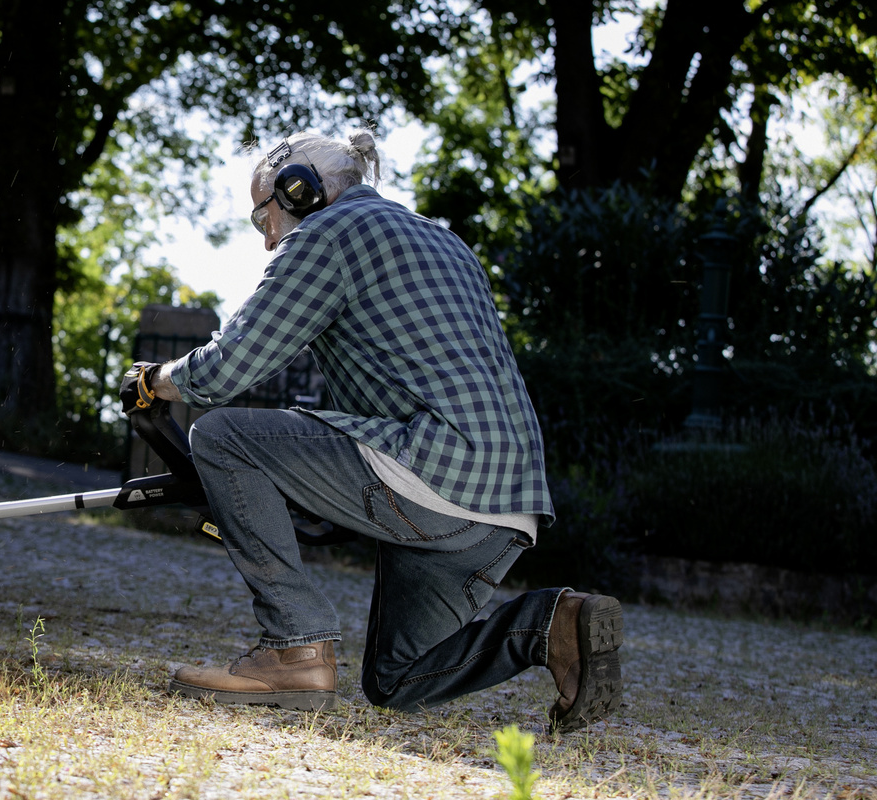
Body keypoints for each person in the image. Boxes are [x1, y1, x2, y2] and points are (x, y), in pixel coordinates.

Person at [123, 131, 624, 732]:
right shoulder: (444, 239)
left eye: (264, 215)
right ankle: (551, 624)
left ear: (299, 189)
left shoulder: (327, 234)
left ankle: (294, 646)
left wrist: (155, 380)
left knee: (222, 436)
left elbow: (229, 369)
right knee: (399, 677)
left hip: (436, 469)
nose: (266, 239)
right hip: (508, 502)